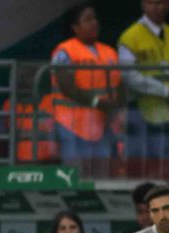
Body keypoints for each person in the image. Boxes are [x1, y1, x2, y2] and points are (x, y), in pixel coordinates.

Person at [118, 0, 169, 159]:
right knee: (143, 164)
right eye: (150, 3)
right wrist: (166, 92)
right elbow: (129, 75)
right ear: (143, 5)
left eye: (159, 2)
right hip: (142, 112)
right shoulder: (130, 36)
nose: (155, 7)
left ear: (168, 5)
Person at [51, 3, 123, 166]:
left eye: (95, 19)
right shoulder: (65, 51)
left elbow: (119, 84)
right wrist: (97, 102)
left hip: (101, 124)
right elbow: (67, 87)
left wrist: (117, 108)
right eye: (88, 20)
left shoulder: (109, 52)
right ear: (75, 27)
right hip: (71, 126)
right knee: (75, 175)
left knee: (100, 174)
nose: (94, 23)